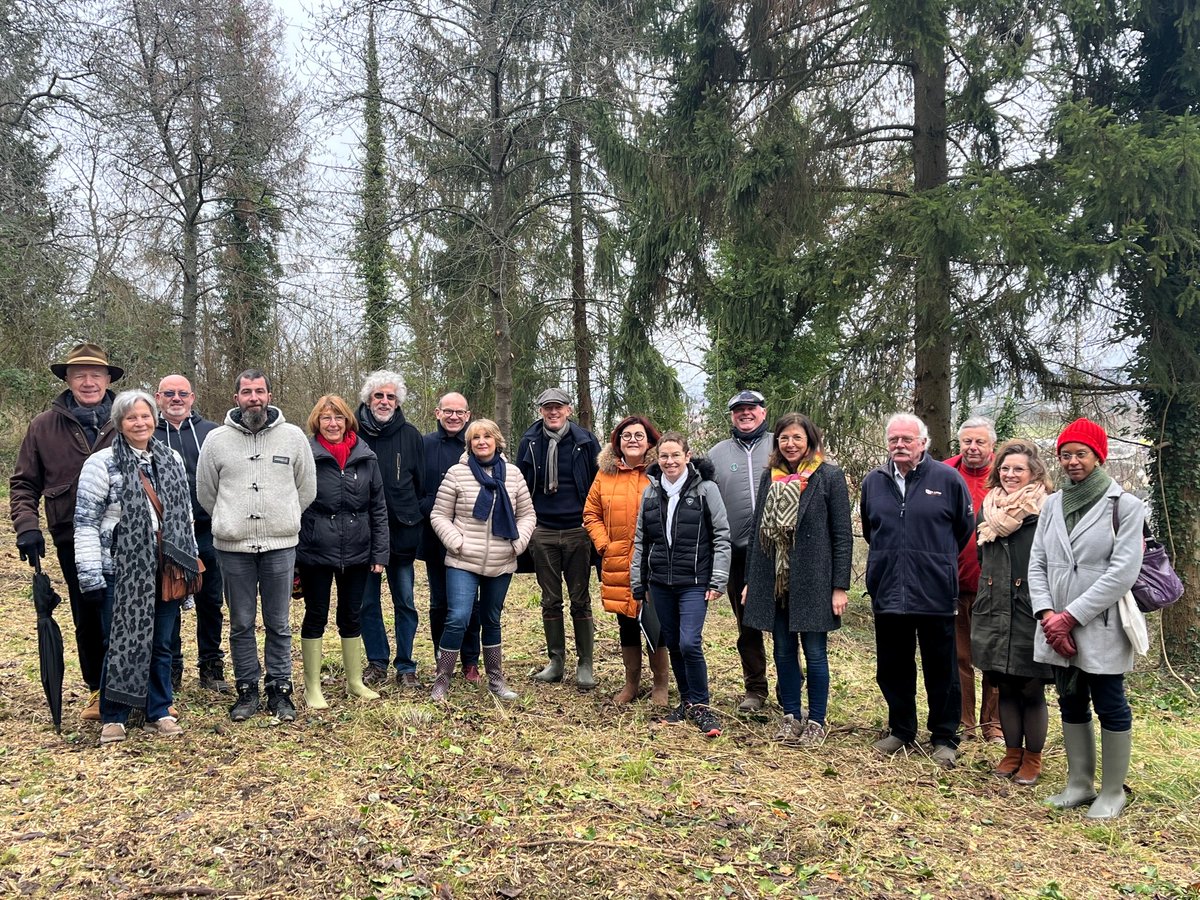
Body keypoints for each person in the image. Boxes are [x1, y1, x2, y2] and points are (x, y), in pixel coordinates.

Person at [1029, 418, 1145, 819]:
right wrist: (1047, 614)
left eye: (1081, 453)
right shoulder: (1052, 504)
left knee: (1110, 702)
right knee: (1070, 699)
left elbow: (1123, 573)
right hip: (1054, 625)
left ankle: (1112, 791)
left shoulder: (1124, 506)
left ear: (1099, 457)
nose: (1073, 461)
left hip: (1101, 624)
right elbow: (1037, 563)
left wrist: (1070, 617)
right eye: (1066, 454)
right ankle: (1079, 783)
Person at [74, 390, 199, 744]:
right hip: (121, 569)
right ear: (119, 423)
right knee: (121, 641)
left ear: (154, 419)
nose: (140, 423)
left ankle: (158, 710)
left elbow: (184, 517)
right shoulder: (101, 463)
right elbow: (85, 522)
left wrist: (188, 567)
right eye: (131, 418)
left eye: (145, 416)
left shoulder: (171, 459)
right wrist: (90, 574)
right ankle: (114, 715)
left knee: (162, 642)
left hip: (166, 566)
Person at [196, 369, 316, 723]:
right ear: (236, 397)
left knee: (279, 622)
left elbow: (306, 488)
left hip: (280, 545)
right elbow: (206, 492)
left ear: (270, 395)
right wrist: (231, 519)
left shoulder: (293, 437)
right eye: (247, 392)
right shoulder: (216, 440)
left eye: (259, 391)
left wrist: (282, 516)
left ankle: (280, 689)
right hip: (233, 548)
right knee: (241, 622)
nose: (254, 398)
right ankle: (247, 688)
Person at [10, 342, 121, 721]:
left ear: (108, 379)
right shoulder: (43, 426)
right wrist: (27, 526)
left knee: (131, 610)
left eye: (96, 375)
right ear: (68, 380)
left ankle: (137, 687)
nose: (88, 382)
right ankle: (98, 689)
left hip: (126, 535)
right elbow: (24, 484)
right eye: (79, 375)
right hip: (71, 537)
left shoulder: (128, 418)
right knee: (87, 613)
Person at [860, 413, 975, 767]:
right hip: (888, 589)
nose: (900, 445)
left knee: (942, 668)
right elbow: (870, 530)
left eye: (907, 439)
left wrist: (932, 561)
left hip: (934, 590)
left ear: (923, 443)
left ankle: (944, 736)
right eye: (894, 439)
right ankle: (901, 730)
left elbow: (963, 530)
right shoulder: (874, 482)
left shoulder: (948, 479)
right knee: (893, 667)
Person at [742, 414, 852, 746]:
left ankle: (816, 720)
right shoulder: (770, 477)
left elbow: (842, 535)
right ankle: (791, 715)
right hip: (775, 579)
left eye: (797, 438)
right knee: (783, 651)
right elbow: (756, 531)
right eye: (784, 438)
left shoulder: (829, 476)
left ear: (810, 441)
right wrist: (750, 581)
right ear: (777, 442)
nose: (790, 444)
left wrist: (839, 586)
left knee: (815, 652)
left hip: (814, 581)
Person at [630, 432, 731, 738]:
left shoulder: (706, 490)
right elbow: (641, 540)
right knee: (673, 643)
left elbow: (721, 536)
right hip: (660, 582)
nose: (670, 461)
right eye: (664, 456)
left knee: (689, 643)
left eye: (676, 455)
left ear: (687, 457)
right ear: (657, 459)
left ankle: (701, 705)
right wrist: (639, 583)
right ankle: (686, 702)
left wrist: (718, 579)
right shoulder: (650, 493)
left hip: (694, 582)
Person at [428, 418, 535, 702]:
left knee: (491, 619)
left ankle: (496, 681)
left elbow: (527, 514)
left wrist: (519, 542)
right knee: (458, 617)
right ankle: (442, 680)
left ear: (497, 441)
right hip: (463, 559)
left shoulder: (513, 475)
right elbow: (439, 514)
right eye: (476, 437)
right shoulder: (457, 473)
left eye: (487, 436)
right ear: (469, 444)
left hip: (502, 559)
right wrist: (456, 542)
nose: (482, 442)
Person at [296, 395, 388, 709]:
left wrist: (379, 553)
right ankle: (312, 687)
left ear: (348, 421)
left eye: (338, 418)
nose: (333, 424)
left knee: (351, 615)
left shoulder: (366, 456)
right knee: (316, 615)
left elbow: (378, 507)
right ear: (317, 422)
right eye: (326, 418)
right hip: (315, 550)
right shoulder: (306, 455)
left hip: (358, 551)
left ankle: (354, 681)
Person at [972, 439, 1055, 786]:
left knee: (1030, 686)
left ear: (1033, 472)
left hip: (1030, 607)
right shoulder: (988, 508)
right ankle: (1011, 753)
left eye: (1018, 469)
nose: (1010, 474)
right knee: (1004, 685)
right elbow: (983, 558)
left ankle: (1032, 757)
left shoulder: (1046, 508)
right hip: (993, 606)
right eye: (1005, 468)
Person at [583, 415, 670, 705]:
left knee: (656, 621)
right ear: (618, 442)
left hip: (655, 559)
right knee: (627, 621)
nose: (632, 440)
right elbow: (591, 513)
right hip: (619, 558)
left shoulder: (661, 471)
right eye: (626, 436)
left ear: (650, 441)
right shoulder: (605, 474)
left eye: (638, 435)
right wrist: (604, 544)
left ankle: (660, 684)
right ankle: (631, 683)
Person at [518, 388, 602, 690]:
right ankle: (556, 662)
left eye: (558, 407)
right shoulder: (530, 442)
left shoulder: (586, 441)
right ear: (540, 411)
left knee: (580, 599)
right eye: (547, 408)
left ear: (569, 409)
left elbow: (598, 484)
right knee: (550, 599)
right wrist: (528, 525)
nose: (553, 412)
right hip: (543, 531)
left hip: (579, 530)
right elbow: (520, 485)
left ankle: (585, 664)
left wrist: (591, 522)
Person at [154, 373, 227, 694]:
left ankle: (211, 667)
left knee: (210, 601)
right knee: (170, 598)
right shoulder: (147, 432)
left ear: (192, 398)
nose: (176, 399)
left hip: (208, 529)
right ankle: (171, 668)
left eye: (182, 393)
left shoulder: (212, 432)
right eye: (169, 393)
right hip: (166, 533)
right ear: (158, 398)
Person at [355, 372, 426, 688]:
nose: (384, 402)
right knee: (367, 603)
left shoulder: (410, 435)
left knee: (405, 602)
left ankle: (406, 664)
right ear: (368, 399)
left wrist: (411, 516)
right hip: (363, 535)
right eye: (379, 396)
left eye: (390, 397)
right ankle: (377, 661)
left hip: (401, 534)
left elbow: (421, 486)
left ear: (398, 402)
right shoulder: (353, 433)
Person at [708, 390, 773, 713]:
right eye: (738, 410)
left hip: (777, 551)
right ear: (732, 416)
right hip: (737, 552)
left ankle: (792, 689)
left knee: (786, 623)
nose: (745, 413)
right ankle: (755, 689)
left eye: (751, 408)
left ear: (763, 412)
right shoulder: (717, 453)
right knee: (747, 625)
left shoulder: (781, 445)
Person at [945, 416, 1001, 742]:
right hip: (954, 584)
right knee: (960, 657)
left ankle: (993, 724)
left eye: (980, 442)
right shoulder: (945, 473)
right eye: (967, 441)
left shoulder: (1005, 476)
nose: (973, 447)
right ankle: (964, 722)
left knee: (993, 658)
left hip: (995, 586)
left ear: (992, 445)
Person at [419, 392, 481, 682]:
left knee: (469, 603)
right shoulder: (424, 445)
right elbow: (414, 485)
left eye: (460, 412)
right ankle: (442, 658)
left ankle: (471, 661)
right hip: (434, 536)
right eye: (448, 411)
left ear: (468, 415)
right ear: (437, 413)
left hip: (471, 538)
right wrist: (430, 508)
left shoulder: (477, 445)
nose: (454, 416)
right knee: (439, 602)